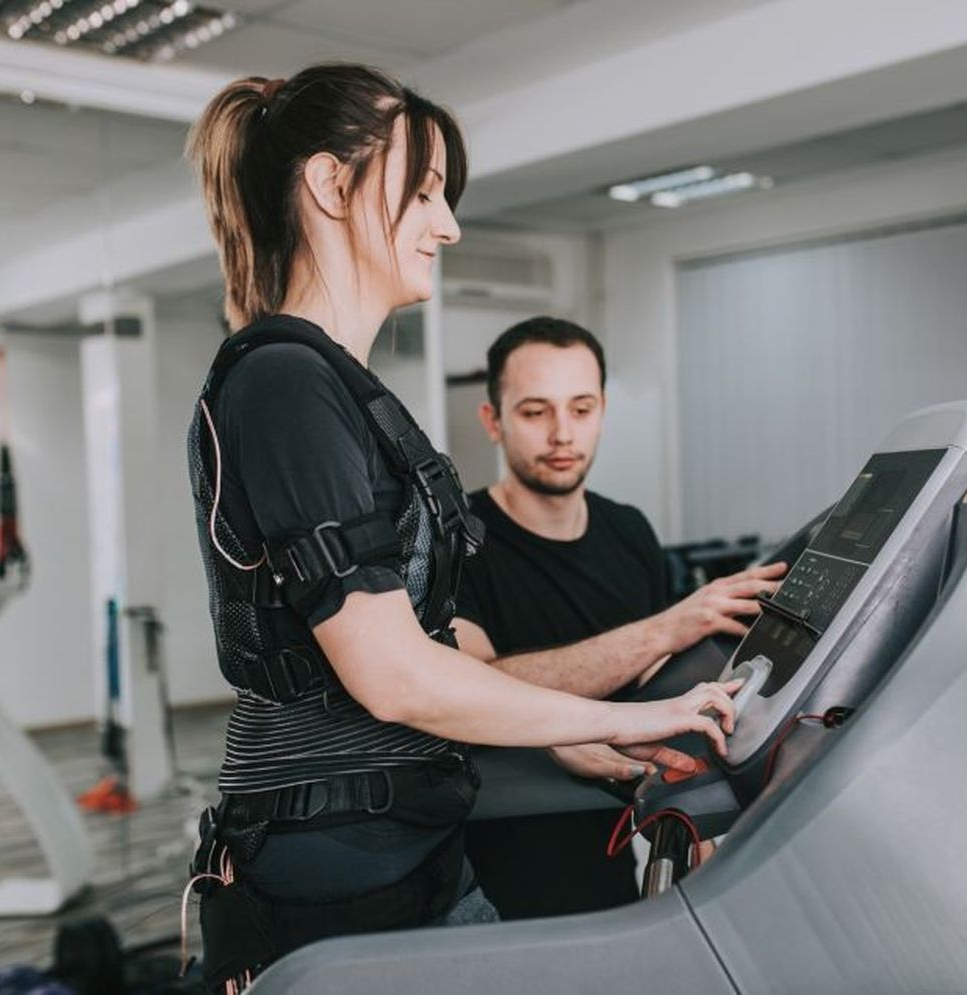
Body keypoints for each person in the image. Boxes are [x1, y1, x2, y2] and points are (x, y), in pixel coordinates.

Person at [183, 63, 742, 990]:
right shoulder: (284, 382)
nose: (447, 223)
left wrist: (564, 735)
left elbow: (417, 655)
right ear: (330, 185)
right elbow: (396, 675)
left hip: (407, 852)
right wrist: (635, 710)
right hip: (338, 878)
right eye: (427, 190)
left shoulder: (331, 384)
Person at [451, 317, 785, 918]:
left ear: (602, 408)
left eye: (581, 409)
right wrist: (665, 626)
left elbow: (662, 696)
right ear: (493, 421)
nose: (562, 433)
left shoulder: (628, 532)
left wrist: (694, 821)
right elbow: (467, 687)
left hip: (610, 871)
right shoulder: (457, 544)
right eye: (534, 412)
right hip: (487, 884)